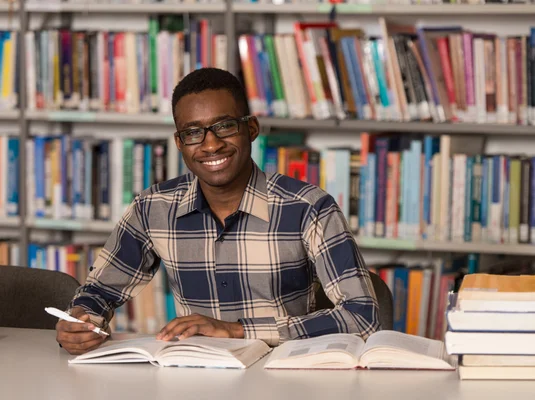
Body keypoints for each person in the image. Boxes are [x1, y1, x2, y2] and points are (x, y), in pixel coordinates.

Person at [56, 68, 380, 355]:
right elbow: (99, 291)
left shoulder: (309, 207)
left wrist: (236, 330)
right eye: (193, 133)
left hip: (283, 376)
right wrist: (82, 320)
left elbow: (362, 316)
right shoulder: (152, 207)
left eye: (224, 126)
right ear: (179, 143)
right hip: (194, 375)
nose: (210, 145)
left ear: (251, 128)